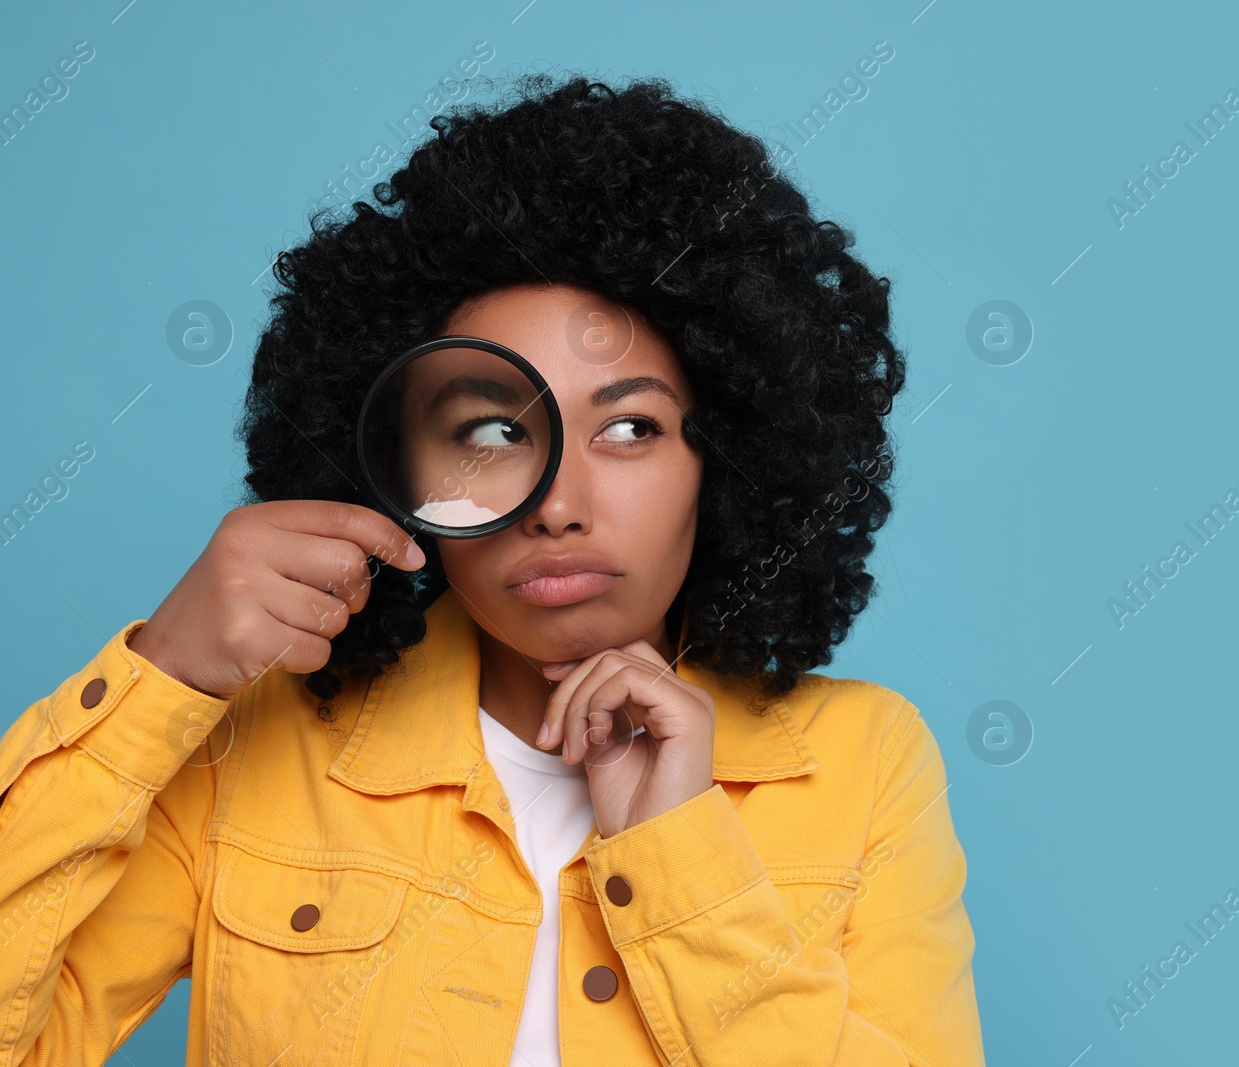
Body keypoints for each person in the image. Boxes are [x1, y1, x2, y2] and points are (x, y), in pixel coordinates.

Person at [0, 73, 983, 1066]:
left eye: (632, 426)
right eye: (491, 430)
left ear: (723, 455)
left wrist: (682, 852)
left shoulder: (863, 762)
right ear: (396, 465)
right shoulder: (256, 747)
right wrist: (159, 678)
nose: (557, 502)